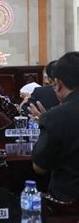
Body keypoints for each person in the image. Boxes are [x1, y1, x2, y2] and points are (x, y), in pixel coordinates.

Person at [32, 52, 79, 202]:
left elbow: (39, 167)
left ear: (57, 84)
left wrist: (45, 123)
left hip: (67, 203)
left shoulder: (56, 116)